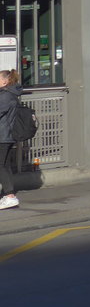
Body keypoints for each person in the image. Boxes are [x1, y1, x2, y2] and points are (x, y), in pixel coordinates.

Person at [0, 68, 22, 210]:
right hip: (6, 135)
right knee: (5, 165)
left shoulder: (6, 96)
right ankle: (8, 194)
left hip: (2, 135)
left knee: (1, 165)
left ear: (5, 81)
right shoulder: (10, 94)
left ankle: (9, 196)